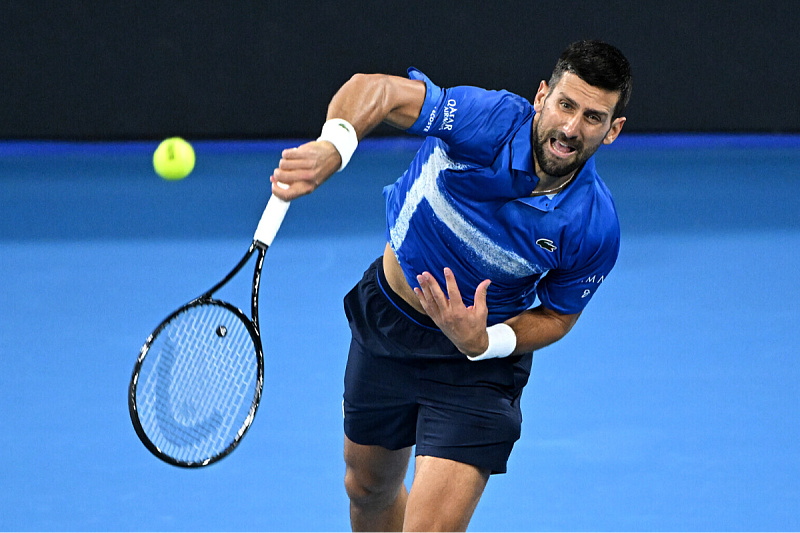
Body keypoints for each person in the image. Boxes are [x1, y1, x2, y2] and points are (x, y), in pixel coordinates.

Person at [271, 40, 632, 532]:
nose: (570, 129)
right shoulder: (486, 121)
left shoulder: (593, 225)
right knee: (367, 489)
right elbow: (375, 90)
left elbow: (558, 315)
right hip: (388, 324)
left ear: (612, 131)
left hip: (475, 368)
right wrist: (334, 145)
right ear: (542, 96)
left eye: (593, 117)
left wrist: (487, 342)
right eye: (566, 105)